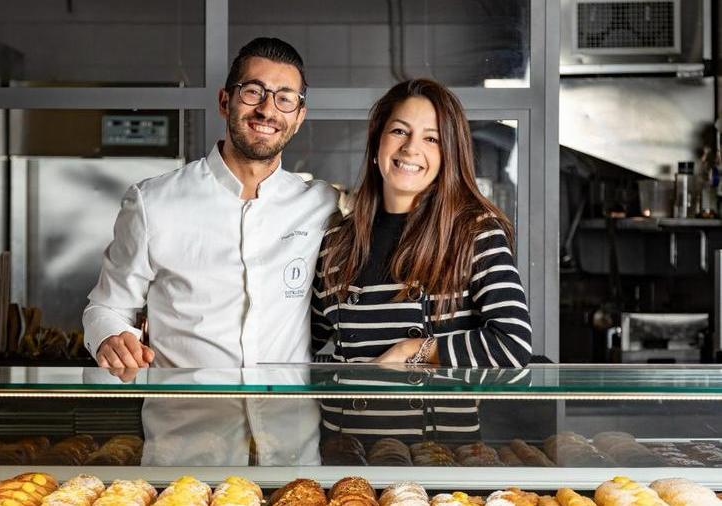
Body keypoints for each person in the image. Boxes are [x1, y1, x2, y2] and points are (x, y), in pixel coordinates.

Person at [83, 37, 336, 466]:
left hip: (291, 451)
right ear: (225, 100)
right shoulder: (153, 202)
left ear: (299, 116)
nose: (267, 109)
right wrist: (111, 336)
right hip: (186, 453)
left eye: (285, 99)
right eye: (253, 91)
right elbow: (106, 307)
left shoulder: (322, 204)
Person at [311, 78, 532, 447]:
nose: (411, 148)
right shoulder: (337, 244)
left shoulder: (472, 233)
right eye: (400, 131)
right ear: (376, 144)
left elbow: (512, 345)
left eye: (431, 138)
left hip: (439, 464)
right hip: (347, 461)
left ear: (450, 154)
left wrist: (413, 350)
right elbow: (304, 345)